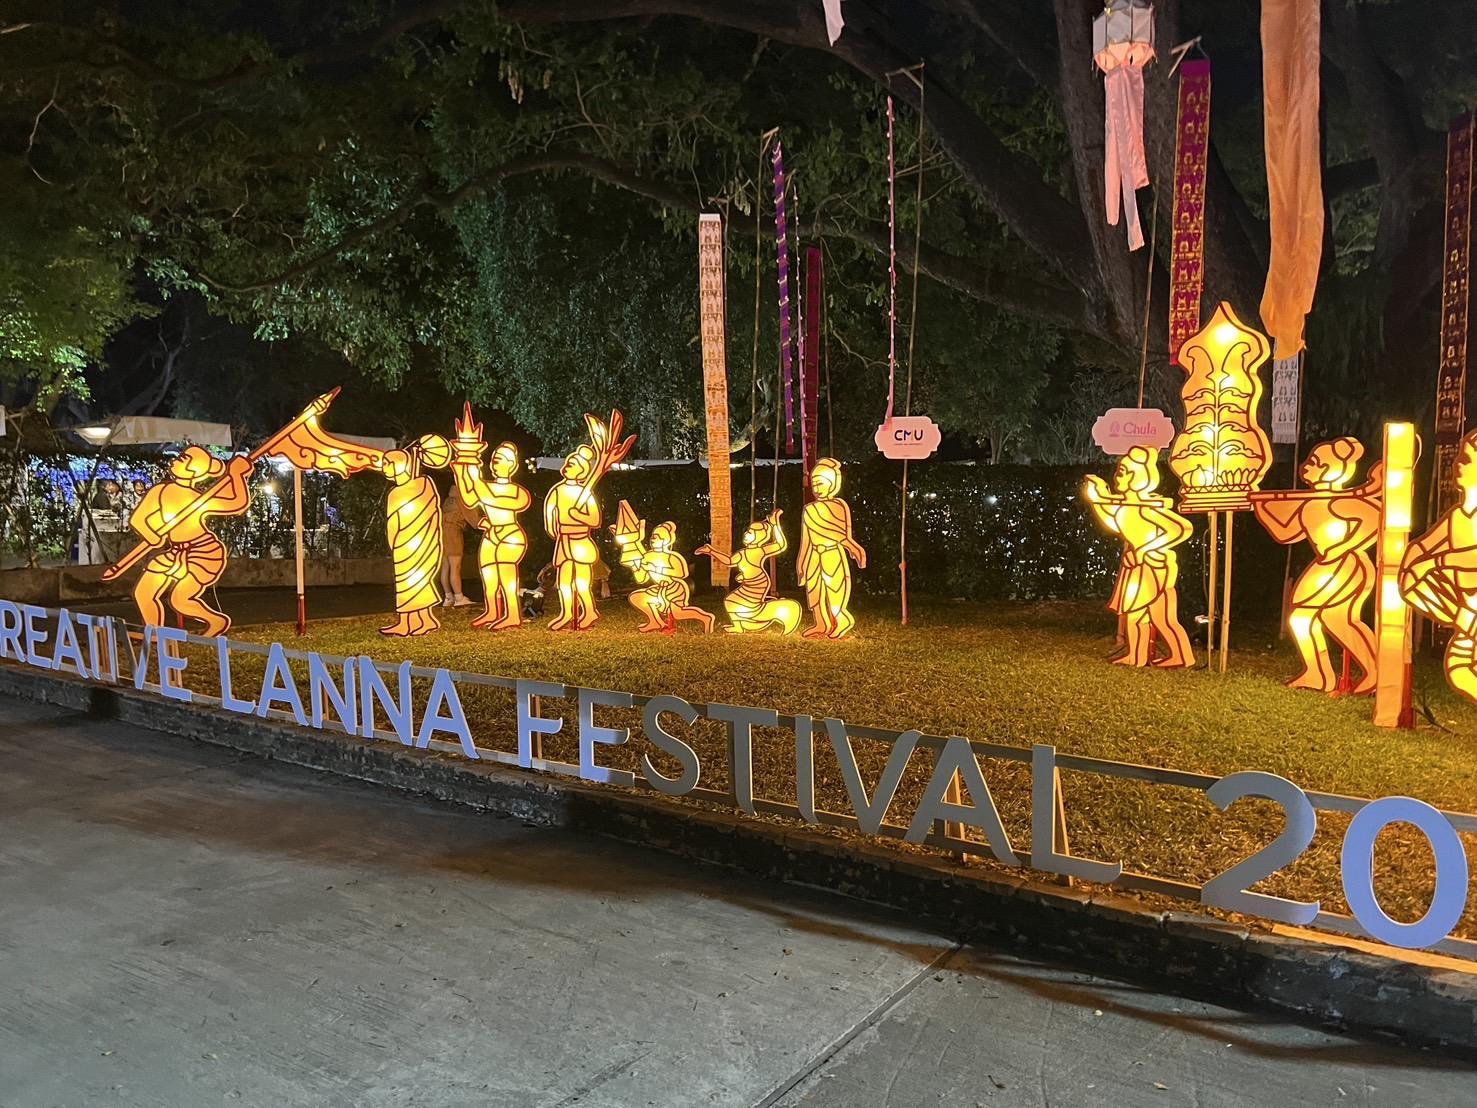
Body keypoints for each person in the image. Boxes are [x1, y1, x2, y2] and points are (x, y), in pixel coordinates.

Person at [1251, 438, 1380, 693]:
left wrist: (1345, 545)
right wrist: (1259, 505)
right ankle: (1367, 671)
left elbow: (1376, 520)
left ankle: (1323, 673)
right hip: (1330, 565)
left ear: (1331, 470)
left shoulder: (1339, 501)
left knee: (1303, 616)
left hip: (1343, 565)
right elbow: (1285, 532)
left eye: (1315, 462)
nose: (1307, 466)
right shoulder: (1312, 504)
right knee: (1337, 620)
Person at [1083, 446, 1194, 668]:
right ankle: (1138, 655)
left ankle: (1180, 656)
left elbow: (1181, 529)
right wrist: (1097, 496)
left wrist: (1144, 549)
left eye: (1123, 472)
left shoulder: (1145, 507)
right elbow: (1115, 522)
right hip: (1137, 567)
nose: (1118, 476)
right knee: (1137, 615)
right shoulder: (1126, 507)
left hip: (1152, 566)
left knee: (1161, 617)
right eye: (1118, 471)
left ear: (1137, 477)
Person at [128, 447, 252, 636]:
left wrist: (237, 475)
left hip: (202, 551)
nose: (175, 460)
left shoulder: (198, 499)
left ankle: (216, 622)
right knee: (144, 592)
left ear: (193, 470)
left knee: (179, 600)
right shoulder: (160, 491)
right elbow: (138, 519)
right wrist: (153, 536)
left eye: (183, 458)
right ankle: (155, 633)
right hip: (175, 551)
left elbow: (236, 503)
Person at [1402, 430, 1477, 703]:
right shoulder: (1458, 516)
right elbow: (1424, 547)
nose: (1457, 464)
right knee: (1458, 668)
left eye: (1466, 459)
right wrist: (1413, 559)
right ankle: (1467, 621)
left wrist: (1438, 561)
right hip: (1466, 607)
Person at [451, 406, 532, 630]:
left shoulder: (517, 491)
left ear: (512, 465)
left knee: (506, 574)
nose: (496, 462)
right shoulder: (486, 486)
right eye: (495, 458)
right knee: (489, 575)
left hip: (510, 535)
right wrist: (461, 471)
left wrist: (474, 477)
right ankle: (492, 611)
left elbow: (497, 500)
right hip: (491, 535)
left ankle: (512, 614)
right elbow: (469, 498)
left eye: (502, 459)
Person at [380, 435, 451, 637]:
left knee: (411, 582)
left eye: (389, 463)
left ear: (401, 464)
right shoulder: (401, 491)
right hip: (407, 544)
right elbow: (393, 522)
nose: (385, 467)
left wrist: (398, 542)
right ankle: (423, 619)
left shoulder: (419, 486)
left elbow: (431, 513)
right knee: (412, 582)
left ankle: (409, 622)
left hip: (418, 542)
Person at [697, 510, 801, 634]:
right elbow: (729, 561)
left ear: (759, 536)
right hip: (748, 583)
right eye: (748, 531)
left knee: (743, 603)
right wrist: (711, 551)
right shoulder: (742, 553)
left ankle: (772, 612)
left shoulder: (760, 551)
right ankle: (739, 626)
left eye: (751, 532)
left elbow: (780, 545)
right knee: (731, 601)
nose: (746, 534)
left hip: (758, 582)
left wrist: (775, 525)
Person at [798, 458, 867, 639]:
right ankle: (821, 623)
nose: (817, 488)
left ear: (832, 483)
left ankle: (841, 619)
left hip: (832, 554)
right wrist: (802, 564)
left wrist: (854, 548)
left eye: (821, 483)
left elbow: (842, 535)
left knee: (834, 589)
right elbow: (806, 540)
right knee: (814, 591)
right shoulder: (809, 510)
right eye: (814, 484)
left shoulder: (838, 506)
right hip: (814, 556)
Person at [439, 486, 479, 610]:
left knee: (446, 567)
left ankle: (448, 597)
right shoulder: (461, 499)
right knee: (455, 566)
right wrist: (481, 523)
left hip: (442, 533)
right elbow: (473, 519)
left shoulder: (448, 500)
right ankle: (459, 597)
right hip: (453, 533)